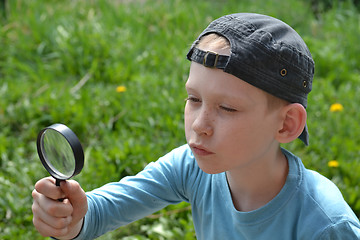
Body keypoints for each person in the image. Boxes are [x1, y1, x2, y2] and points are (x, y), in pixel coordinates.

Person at [32, 13, 360, 239]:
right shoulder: (192, 167)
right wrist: (71, 219)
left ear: (287, 124)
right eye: (193, 99)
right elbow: (98, 213)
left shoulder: (326, 225)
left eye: (228, 108)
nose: (199, 126)